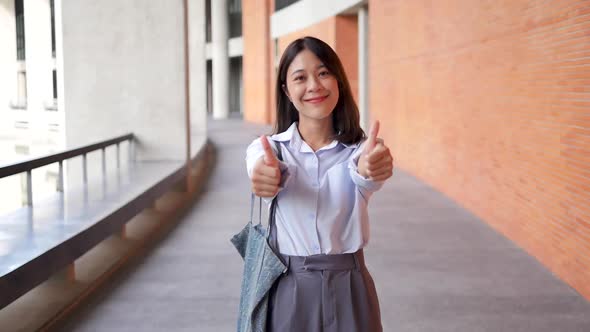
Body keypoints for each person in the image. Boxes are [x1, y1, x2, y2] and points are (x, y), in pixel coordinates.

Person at [245, 36, 394, 332]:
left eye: (324, 73)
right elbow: (261, 170)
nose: (314, 85)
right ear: (287, 91)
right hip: (289, 287)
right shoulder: (270, 150)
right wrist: (265, 178)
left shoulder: (359, 152)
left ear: (338, 81)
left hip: (350, 286)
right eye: (300, 77)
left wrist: (373, 167)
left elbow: (365, 172)